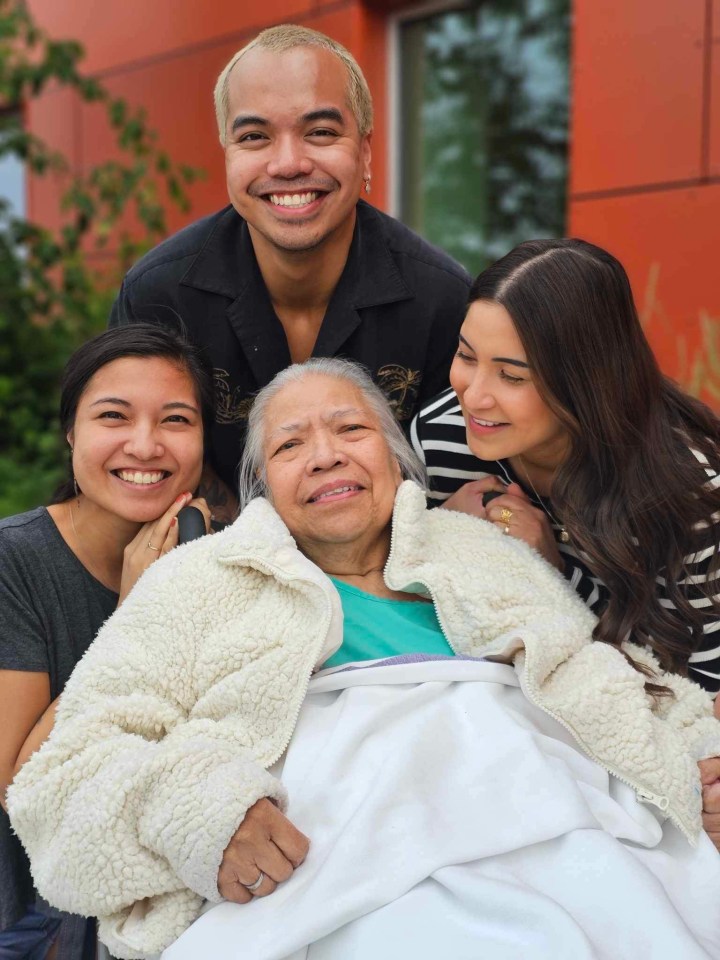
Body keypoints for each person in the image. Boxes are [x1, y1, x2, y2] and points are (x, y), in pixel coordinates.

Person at [8, 358, 720, 959]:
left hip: (561, 832)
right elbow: (60, 779)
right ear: (262, 486)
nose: (325, 455)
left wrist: (699, 759)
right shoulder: (200, 583)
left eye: (351, 429)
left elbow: (610, 678)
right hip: (335, 875)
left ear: (397, 457)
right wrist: (200, 815)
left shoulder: (480, 554)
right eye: (290, 446)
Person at [109, 23, 470, 517]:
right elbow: (130, 465)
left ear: (365, 151)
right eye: (255, 137)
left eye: (320, 132)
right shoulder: (159, 295)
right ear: (228, 154)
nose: (288, 163)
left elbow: (458, 488)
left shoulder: (442, 301)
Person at [411, 238, 720, 697]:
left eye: (512, 376)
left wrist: (555, 569)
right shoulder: (441, 437)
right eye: (466, 357)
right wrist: (439, 533)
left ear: (587, 382)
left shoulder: (688, 487)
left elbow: (695, 687)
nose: (473, 396)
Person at [0, 325, 212, 960]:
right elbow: (16, 785)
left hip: (169, 892)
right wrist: (131, 616)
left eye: (175, 419)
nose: (144, 445)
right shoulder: (14, 561)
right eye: (113, 417)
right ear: (71, 433)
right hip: (35, 911)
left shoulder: (217, 554)